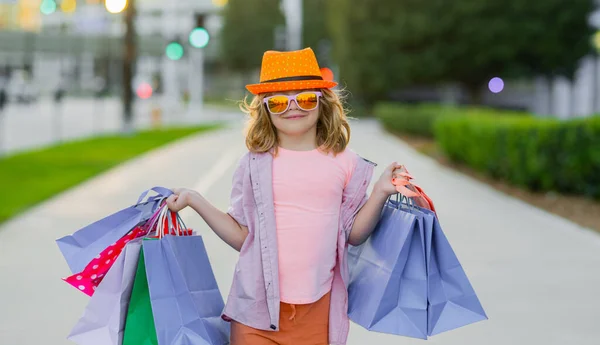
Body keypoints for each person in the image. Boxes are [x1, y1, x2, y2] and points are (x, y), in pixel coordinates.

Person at [165, 47, 431, 345]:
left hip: (318, 314)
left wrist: (381, 190)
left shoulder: (346, 162)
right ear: (265, 108)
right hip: (255, 315)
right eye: (278, 102)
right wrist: (195, 200)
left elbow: (353, 235)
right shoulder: (253, 164)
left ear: (322, 101)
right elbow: (244, 237)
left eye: (305, 98)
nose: (293, 108)